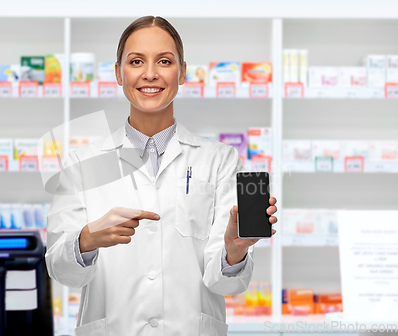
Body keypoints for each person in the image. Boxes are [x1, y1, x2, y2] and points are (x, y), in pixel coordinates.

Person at [45, 15, 278, 336]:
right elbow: (61, 271)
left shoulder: (219, 160)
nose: (150, 74)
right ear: (118, 73)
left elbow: (224, 283)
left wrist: (234, 251)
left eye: (164, 61)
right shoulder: (83, 162)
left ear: (182, 72)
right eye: (136, 61)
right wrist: (85, 241)